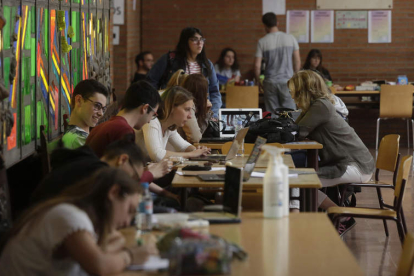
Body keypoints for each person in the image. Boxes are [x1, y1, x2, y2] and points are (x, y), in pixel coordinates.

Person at [0, 167, 158, 275]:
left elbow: (102, 252)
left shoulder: (78, 216)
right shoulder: (69, 215)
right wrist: (130, 255)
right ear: (114, 192)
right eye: (130, 210)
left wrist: (113, 246)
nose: (128, 221)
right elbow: (99, 266)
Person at [288, 70, 375, 233]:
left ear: (304, 91)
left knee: (298, 180)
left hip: (355, 165)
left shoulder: (321, 106)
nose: (292, 96)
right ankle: (342, 215)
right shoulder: (315, 106)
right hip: (348, 162)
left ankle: (296, 227)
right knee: (299, 180)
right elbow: (295, 128)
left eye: (294, 92)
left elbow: (296, 132)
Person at [31, 136, 173, 205]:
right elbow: (119, 194)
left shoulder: (91, 164)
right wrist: (149, 175)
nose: (131, 181)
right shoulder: (94, 170)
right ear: (122, 160)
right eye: (133, 177)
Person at [147, 27, 222, 118]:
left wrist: (213, 114)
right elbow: (151, 82)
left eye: (201, 39)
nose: (199, 43)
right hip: (175, 110)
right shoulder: (170, 59)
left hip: (201, 112)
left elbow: (215, 92)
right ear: (185, 42)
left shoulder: (207, 64)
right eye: (194, 40)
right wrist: (158, 103)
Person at [86, 80, 161, 158]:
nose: (149, 121)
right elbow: (122, 169)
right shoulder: (123, 130)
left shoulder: (106, 125)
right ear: (145, 108)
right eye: (153, 114)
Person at [136, 86, 211, 162]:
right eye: (187, 109)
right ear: (172, 107)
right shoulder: (152, 120)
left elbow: (183, 146)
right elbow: (157, 155)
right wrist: (192, 154)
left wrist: (198, 151)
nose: (190, 116)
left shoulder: (169, 126)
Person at [254, 12, 300, 115]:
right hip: (287, 81)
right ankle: (291, 131)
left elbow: (257, 65)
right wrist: (296, 78)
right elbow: (297, 61)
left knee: (273, 114)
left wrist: (258, 81)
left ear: (265, 25)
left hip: (270, 82)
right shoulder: (291, 38)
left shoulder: (262, 41)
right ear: (277, 23)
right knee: (290, 113)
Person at [51, 79, 109, 150]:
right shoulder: (78, 141)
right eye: (97, 106)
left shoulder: (78, 136)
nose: (101, 114)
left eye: (103, 109)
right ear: (79, 100)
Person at [179, 74, 212, 143]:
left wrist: (205, 112)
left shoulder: (182, 100)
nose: (207, 94)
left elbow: (198, 135)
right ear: (201, 93)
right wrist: (206, 114)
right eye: (206, 91)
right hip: (176, 151)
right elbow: (195, 138)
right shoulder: (187, 105)